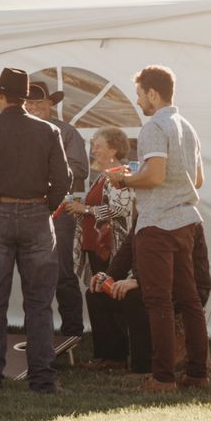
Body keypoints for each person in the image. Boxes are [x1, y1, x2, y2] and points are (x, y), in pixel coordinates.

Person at [0, 67, 68, 393]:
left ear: (0, 96)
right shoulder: (49, 131)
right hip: (37, 213)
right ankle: (42, 380)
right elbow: (63, 180)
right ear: (25, 98)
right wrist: (44, 207)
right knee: (39, 303)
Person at [108, 64, 209, 392]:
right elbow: (197, 180)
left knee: (158, 302)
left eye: (139, 94)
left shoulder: (153, 127)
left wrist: (124, 179)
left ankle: (163, 377)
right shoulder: (187, 126)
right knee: (190, 301)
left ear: (153, 93)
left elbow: (154, 176)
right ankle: (196, 374)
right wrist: (145, 175)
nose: (138, 101)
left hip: (158, 225)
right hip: (187, 221)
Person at [26, 81, 89, 339]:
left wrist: (46, 172)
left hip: (60, 209)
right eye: (29, 103)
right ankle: (38, 332)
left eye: (39, 102)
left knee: (63, 271)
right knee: (32, 274)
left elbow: (81, 170)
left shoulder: (67, 132)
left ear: (51, 103)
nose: (34, 107)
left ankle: (72, 331)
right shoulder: (20, 132)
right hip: (29, 210)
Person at [74, 127, 139, 370]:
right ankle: (105, 354)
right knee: (97, 296)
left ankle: (116, 355)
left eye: (97, 145)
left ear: (113, 149)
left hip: (112, 248)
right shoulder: (101, 175)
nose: (93, 149)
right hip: (97, 245)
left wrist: (86, 210)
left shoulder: (120, 173)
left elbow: (120, 210)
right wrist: (82, 206)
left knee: (108, 297)